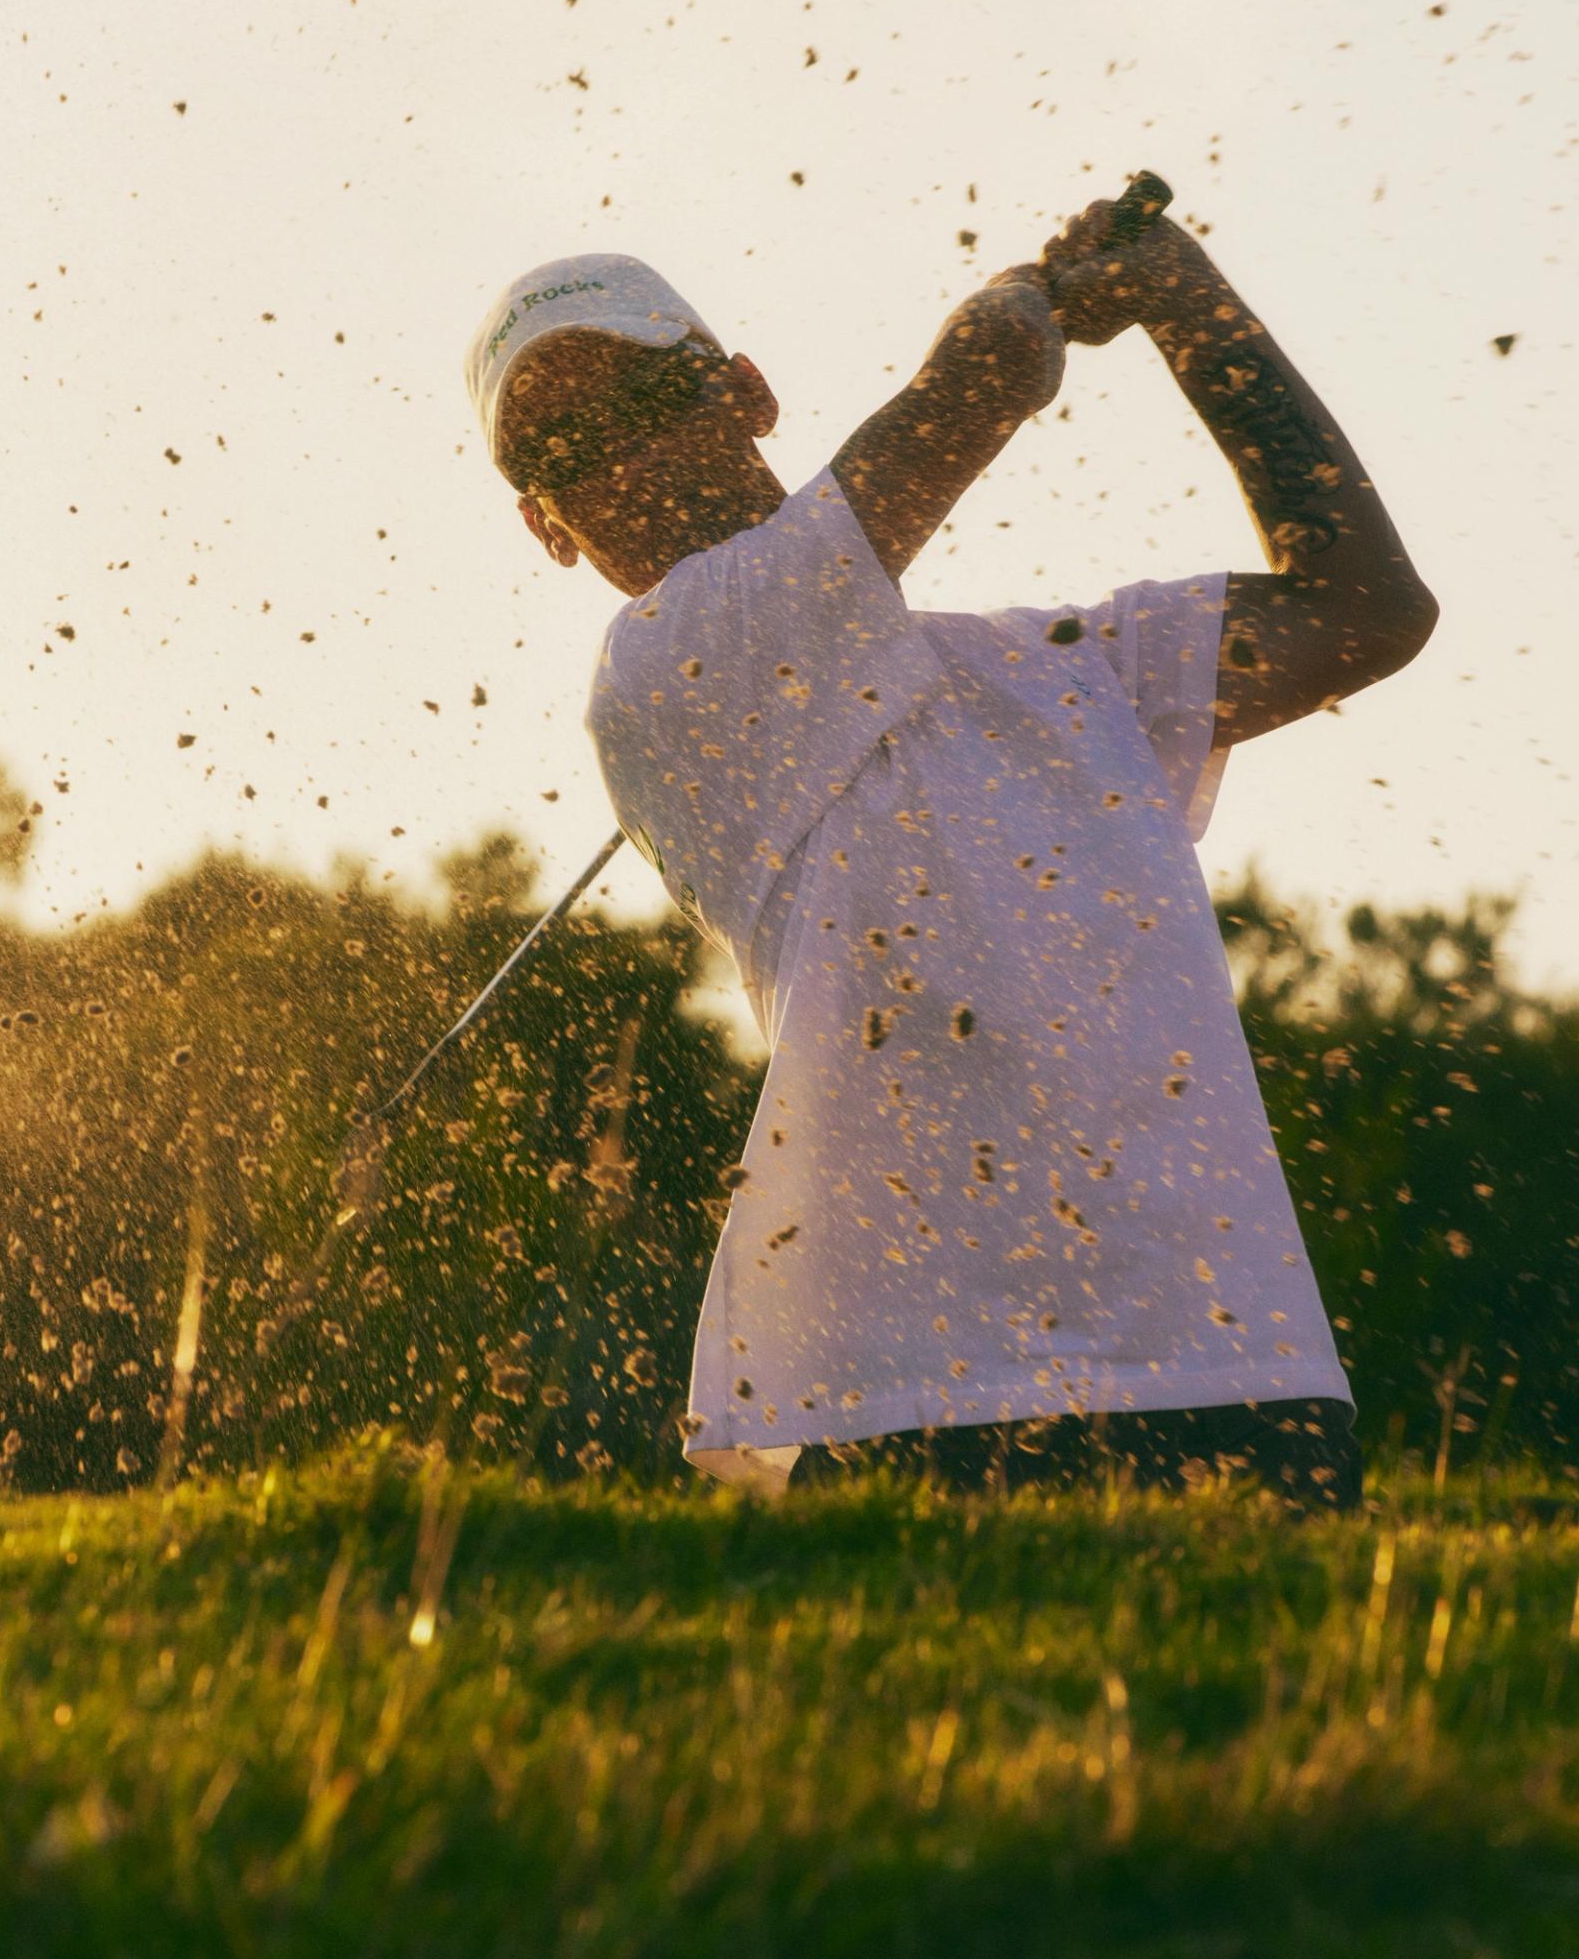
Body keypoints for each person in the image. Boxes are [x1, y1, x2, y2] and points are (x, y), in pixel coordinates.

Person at [463, 196, 1436, 1506]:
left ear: (745, 394)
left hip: (1224, 1353)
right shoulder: (654, 675)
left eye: (648, 400)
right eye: (567, 447)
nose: (622, 459)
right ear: (548, 525)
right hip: (913, 1384)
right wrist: (1029, 303)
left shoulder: (1062, 671)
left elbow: (1366, 608)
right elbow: (971, 386)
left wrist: (1196, 306)